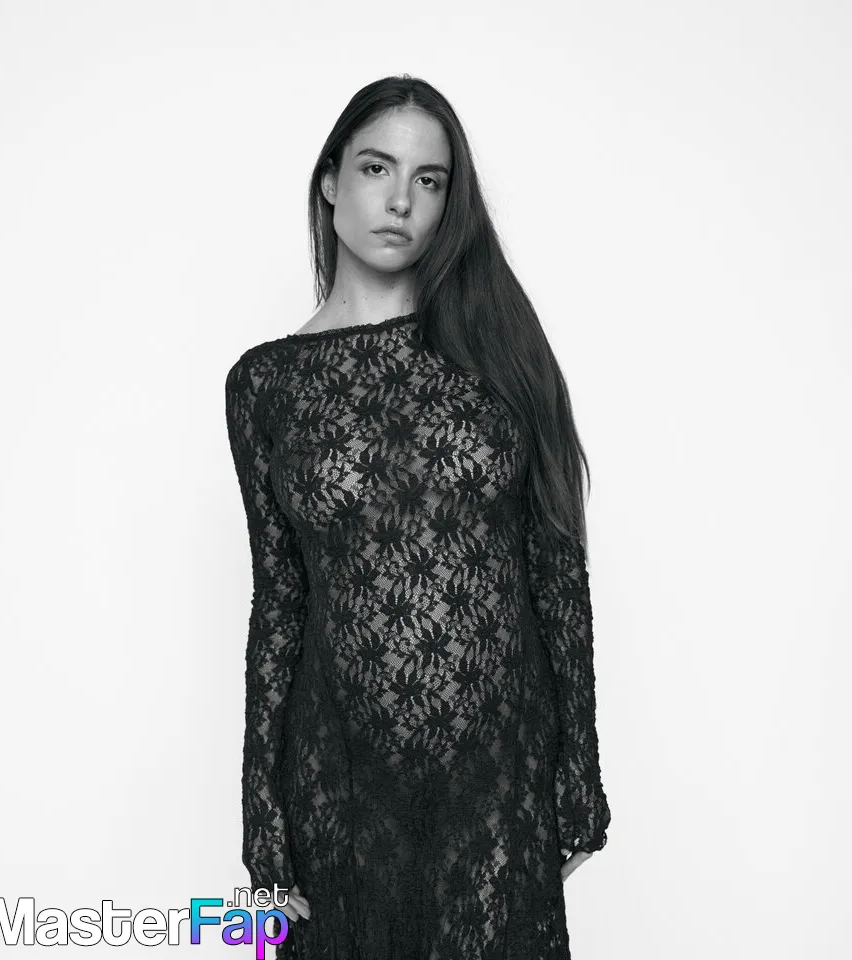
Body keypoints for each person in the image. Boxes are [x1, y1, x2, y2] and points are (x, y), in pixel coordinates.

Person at [224, 74, 611, 960]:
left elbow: (556, 564)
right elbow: (280, 602)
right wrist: (262, 820)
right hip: (339, 787)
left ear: (448, 202)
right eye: (376, 168)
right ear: (331, 181)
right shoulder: (264, 385)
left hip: (497, 780)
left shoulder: (500, 353)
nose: (400, 199)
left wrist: (578, 771)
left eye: (429, 180)